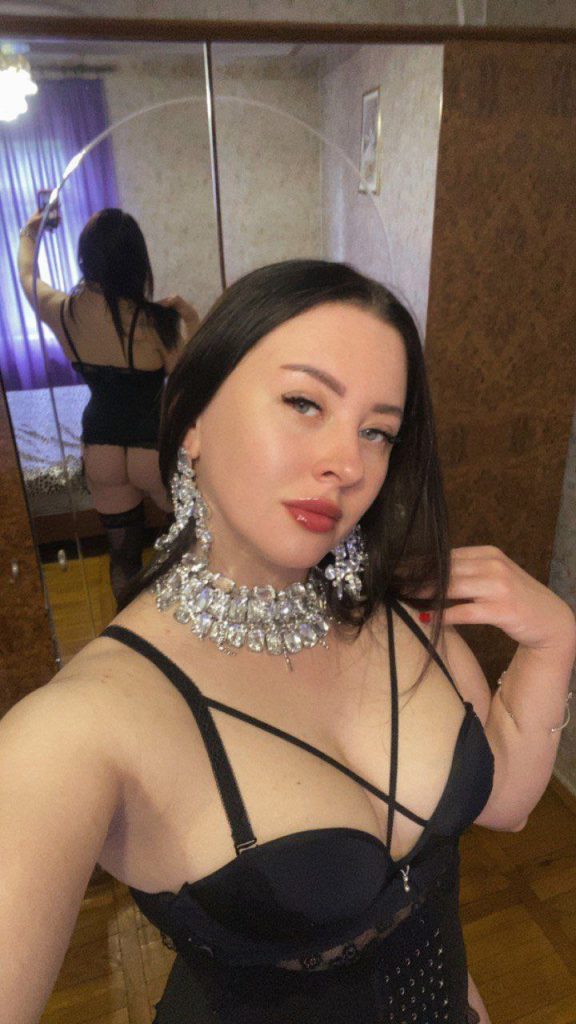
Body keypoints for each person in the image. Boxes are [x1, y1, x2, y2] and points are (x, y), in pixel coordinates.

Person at [1, 260, 574, 1024]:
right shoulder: (80, 727)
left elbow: (506, 803)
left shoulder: (399, 617)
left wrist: (555, 642)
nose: (348, 463)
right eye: (305, 403)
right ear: (193, 418)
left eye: (377, 431)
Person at [18, 206, 199, 601]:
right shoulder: (156, 321)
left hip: (100, 447)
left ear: (84, 258)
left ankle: (127, 629)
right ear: (137, 262)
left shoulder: (62, 312)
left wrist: (30, 233)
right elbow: (192, 377)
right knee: (187, 549)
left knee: (123, 559)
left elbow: (27, 275)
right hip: (152, 449)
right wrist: (190, 317)